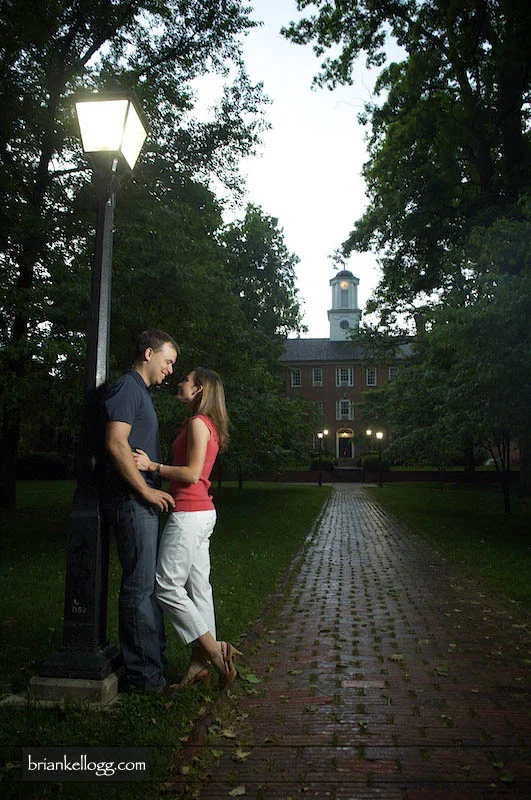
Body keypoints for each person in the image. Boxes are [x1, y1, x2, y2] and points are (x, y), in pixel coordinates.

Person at [133, 367, 241, 690]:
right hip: (202, 512)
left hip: (191, 512)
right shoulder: (206, 424)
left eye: (187, 380)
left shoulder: (198, 424)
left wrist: (152, 466)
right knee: (200, 588)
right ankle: (198, 666)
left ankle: (215, 653)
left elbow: (193, 474)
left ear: (198, 390)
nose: (180, 382)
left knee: (165, 584)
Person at [103, 329, 179, 694]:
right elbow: (116, 444)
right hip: (132, 504)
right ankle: (144, 680)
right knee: (139, 589)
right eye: (168, 362)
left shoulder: (141, 393)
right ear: (148, 354)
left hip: (141, 503)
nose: (170, 370)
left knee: (147, 588)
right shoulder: (127, 389)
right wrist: (147, 494)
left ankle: (153, 668)